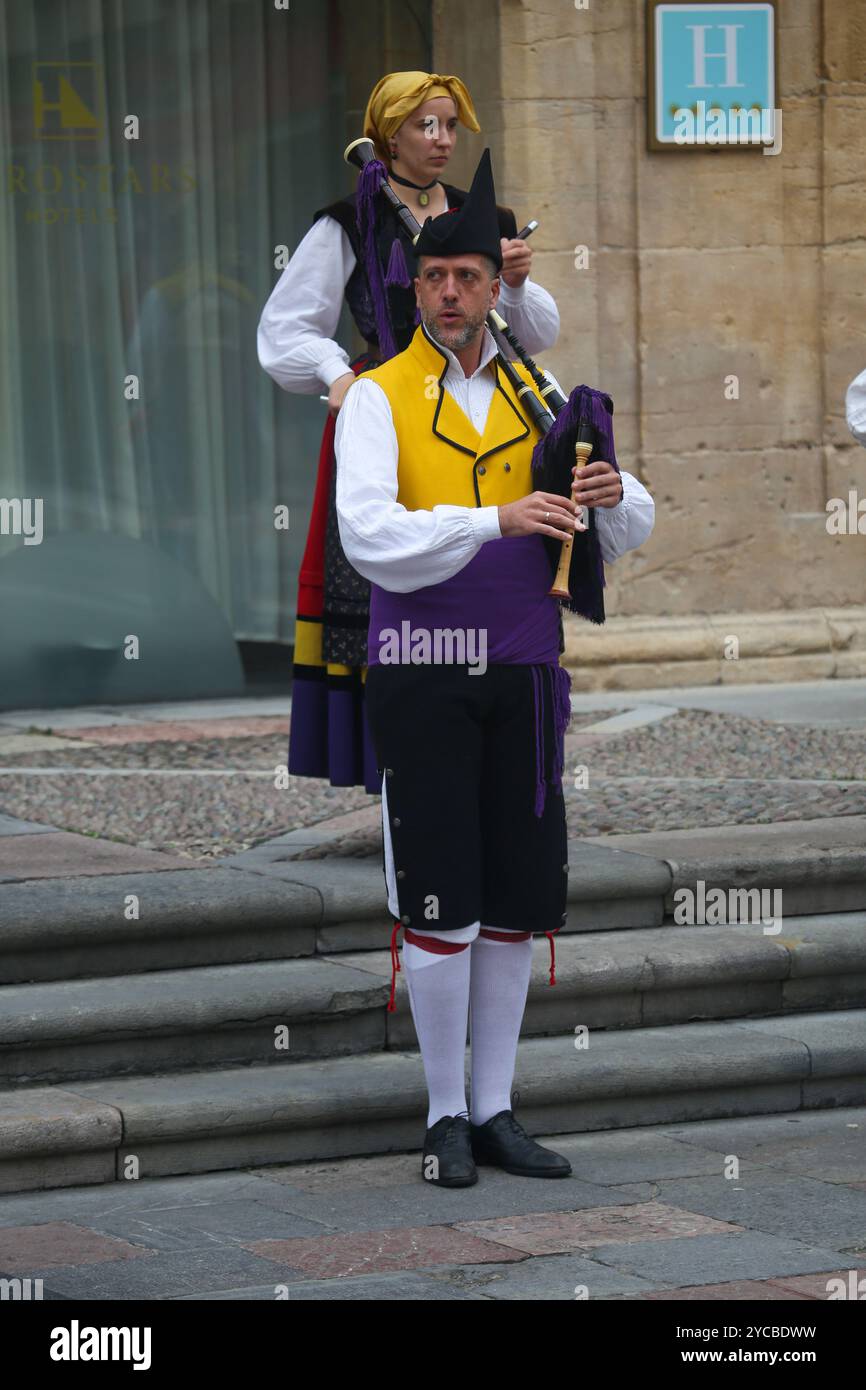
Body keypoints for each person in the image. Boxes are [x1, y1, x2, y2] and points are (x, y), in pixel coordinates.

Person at [335, 149, 655, 1187]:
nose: (450, 292)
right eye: (433, 278)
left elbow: (637, 521)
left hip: (522, 671)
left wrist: (605, 495)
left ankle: (497, 1107)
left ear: (493, 285)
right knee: (441, 903)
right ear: (413, 287)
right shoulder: (379, 397)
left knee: (514, 902)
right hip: (423, 669)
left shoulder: (536, 386)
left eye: (469, 275)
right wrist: (494, 517)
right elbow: (369, 536)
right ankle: (441, 1119)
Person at [257, 71, 561, 793]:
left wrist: (514, 280)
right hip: (388, 412)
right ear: (389, 134)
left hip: (480, 407)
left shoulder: (483, 215)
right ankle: (399, 769)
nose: (443, 139)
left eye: (450, 126)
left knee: (489, 561)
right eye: (427, 125)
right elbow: (284, 326)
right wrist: (339, 376)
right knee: (386, 580)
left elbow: (535, 334)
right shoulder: (349, 217)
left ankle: (488, 738)